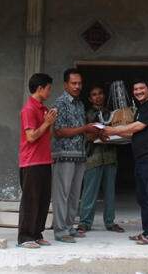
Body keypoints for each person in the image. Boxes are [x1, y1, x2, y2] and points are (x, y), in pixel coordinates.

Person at [102, 79, 148, 245]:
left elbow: (138, 127)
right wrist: (109, 135)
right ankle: (147, 231)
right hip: (142, 158)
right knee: (143, 197)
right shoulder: (141, 108)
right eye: (136, 89)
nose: (138, 92)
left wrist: (113, 129)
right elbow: (133, 134)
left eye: (142, 88)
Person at [51, 68, 100, 243]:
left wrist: (96, 133)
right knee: (61, 194)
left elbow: (80, 132)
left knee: (73, 194)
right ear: (65, 84)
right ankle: (60, 231)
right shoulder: (60, 103)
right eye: (74, 83)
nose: (77, 86)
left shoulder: (79, 104)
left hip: (79, 155)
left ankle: (69, 227)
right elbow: (59, 131)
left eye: (79, 83)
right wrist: (85, 129)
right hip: (63, 155)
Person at [76, 85, 125, 234]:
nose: (98, 96)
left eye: (100, 93)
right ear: (90, 99)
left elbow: (121, 132)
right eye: (94, 94)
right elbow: (87, 135)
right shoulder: (86, 115)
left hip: (110, 156)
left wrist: (107, 134)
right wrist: (99, 135)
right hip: (93, 157)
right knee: (89, 192)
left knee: (110, 192)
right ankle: (84, 222)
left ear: (104, 96)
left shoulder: (112, 114)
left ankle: (110, 222)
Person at [17, 73, 58, 249]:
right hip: (31, 162)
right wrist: (46, 123)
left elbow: (48, 136)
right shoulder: (29, 109)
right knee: (30, 201)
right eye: (48, 88)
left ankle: (36, 233)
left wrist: (50, 122)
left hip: (44, 160)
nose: (50, 91)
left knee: (42, 199)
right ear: (40, 88)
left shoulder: (43, 108)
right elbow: (31, 136)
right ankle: (25, 237)